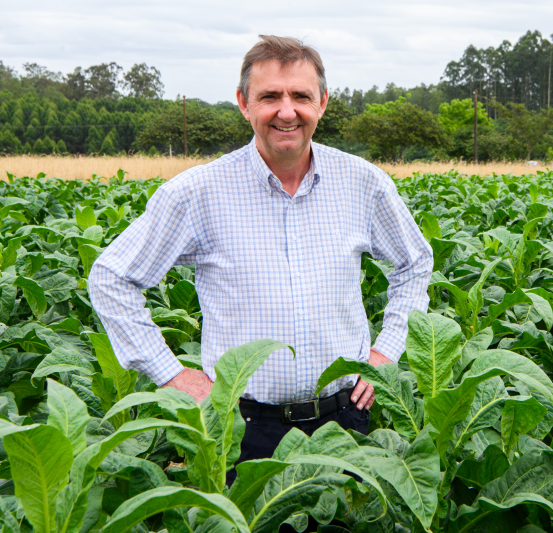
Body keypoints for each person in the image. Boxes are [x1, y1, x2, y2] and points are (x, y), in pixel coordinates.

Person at [87, 35, 433, 483]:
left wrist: (385, 353)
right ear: (243, 103)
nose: (286, 111)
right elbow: (111, 277)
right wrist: (172, 374)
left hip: (344, 424)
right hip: (241, 431)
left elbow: (414, 263)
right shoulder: (197, 193)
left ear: (322, 103)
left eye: (301, 96)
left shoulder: (363, 184)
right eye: (270, 96)